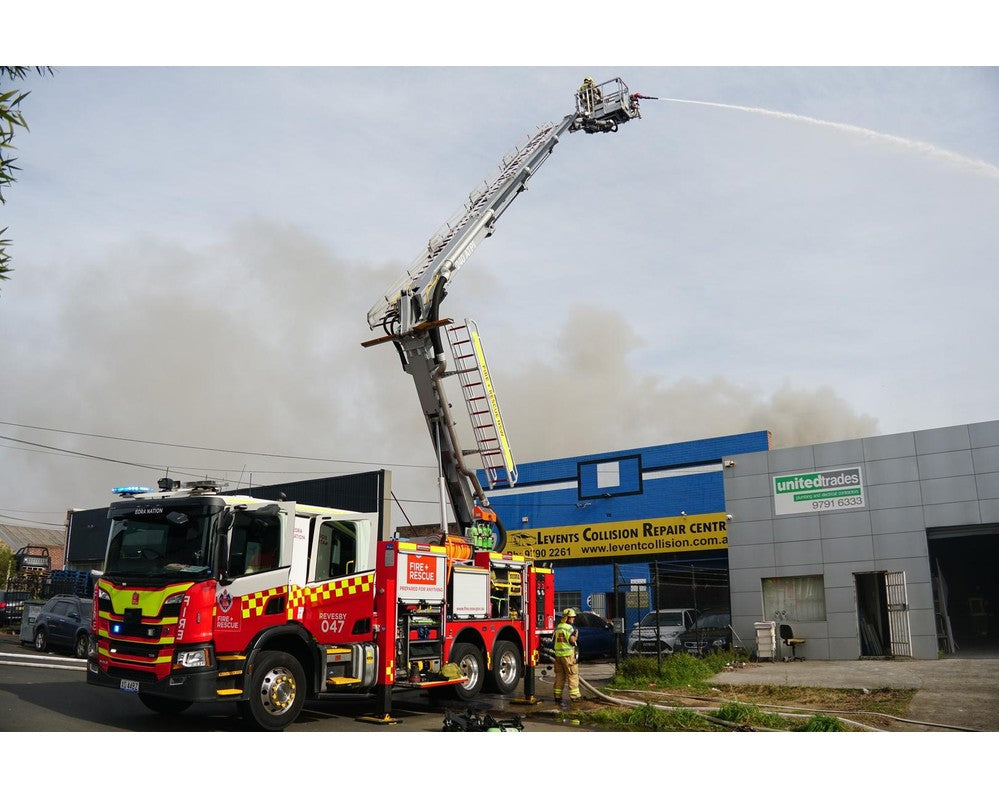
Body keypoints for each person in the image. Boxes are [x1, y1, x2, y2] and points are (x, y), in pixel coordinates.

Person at [553, 607, 580, 709]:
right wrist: (576, 635)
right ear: (567, 618)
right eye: (572, 617)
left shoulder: (558, 627)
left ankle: (557, 697)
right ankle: (575, 697)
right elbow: (572, 641)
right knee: (572, 675)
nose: (573, 619)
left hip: (558, 656)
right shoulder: (569, 628)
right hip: (568, 656)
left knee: (559, 677)